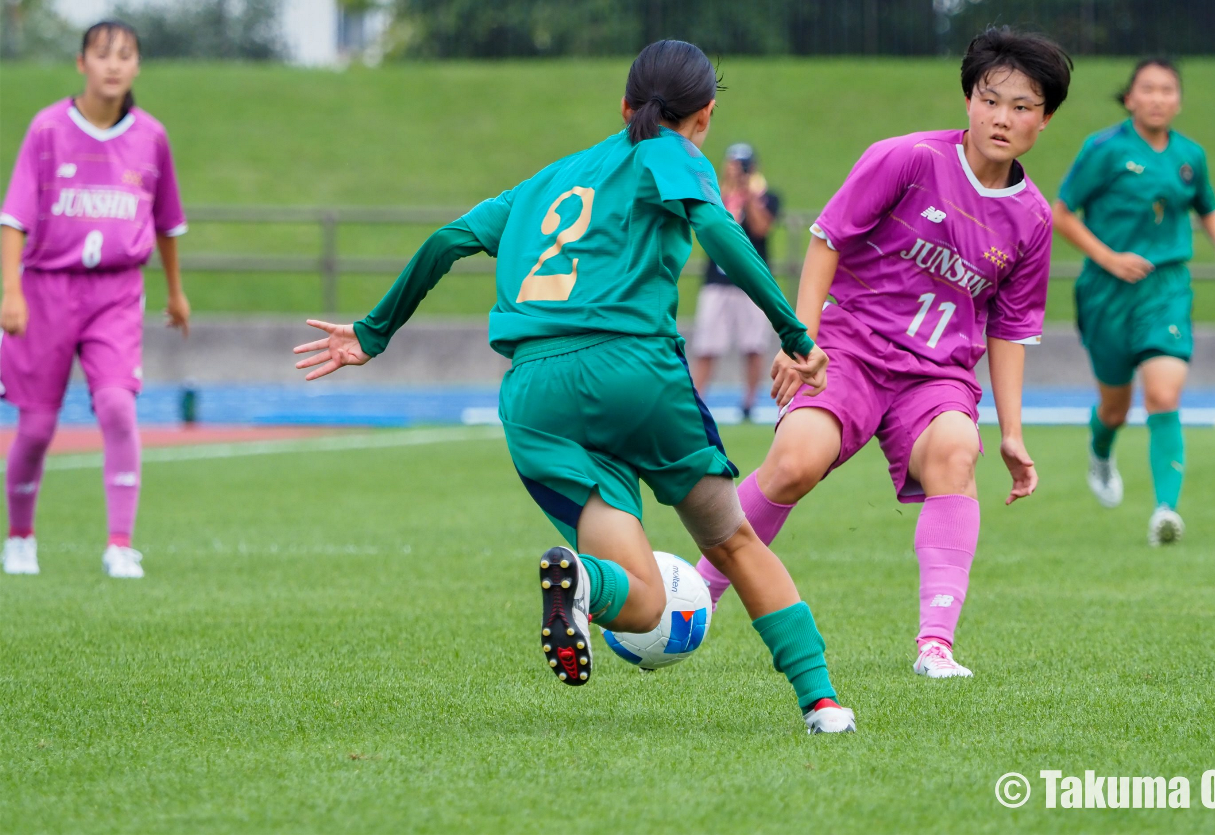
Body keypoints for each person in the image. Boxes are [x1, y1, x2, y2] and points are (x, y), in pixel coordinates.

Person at [294, 40, 857, 734]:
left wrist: (374, 331)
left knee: (643, 602)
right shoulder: (672, 151)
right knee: (734, 543)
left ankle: (586, 586)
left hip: (536, 397)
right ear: (704, 117)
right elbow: (717, 226)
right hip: (633, 374)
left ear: (623, 107)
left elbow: (447, 240)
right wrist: (797, 335)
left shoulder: (546, 183)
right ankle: (822, 702)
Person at [696, 27, 1069, 680]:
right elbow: (826, 240)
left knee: (958, 451)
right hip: (851, 349)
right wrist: (801, 339)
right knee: (792, 463)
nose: (1003, 118)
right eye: (991, 99)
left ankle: (936, 646)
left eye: (1022, 106)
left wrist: (1011, 432)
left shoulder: (1034, 218)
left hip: (936, 377)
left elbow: (1009, 328)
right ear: (968, 100)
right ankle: (695, 601)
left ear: (1045, 119)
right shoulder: (907, 158)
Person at [0, 20, 191, 579]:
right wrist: (10, 292)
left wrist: (176, 293)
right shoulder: (47, 129)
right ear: (81, 63)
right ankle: (19, 537)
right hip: (45, 292)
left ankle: (119, 542)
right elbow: (13, 220)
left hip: (116, 293)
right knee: (35, 426)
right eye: (102, 54)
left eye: (125, 55)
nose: (114, 64)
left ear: (137, 67)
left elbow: (168, 224)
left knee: (115, 405)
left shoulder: (151, 137)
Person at [1052, 58, 1215, 546]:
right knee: (1115, 409)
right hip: (1107, 291)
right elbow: (1061, 212)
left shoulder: (1190, 156)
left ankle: (1166, 511)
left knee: (1163, 395)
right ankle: (1101, 450)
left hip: (1167, 289)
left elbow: (1208, 205)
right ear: (1131, 98)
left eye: (1168, 90)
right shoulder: (1104, 149)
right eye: (1148, 89)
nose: (1158, 98)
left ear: (1178, 100)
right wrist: (1110, 257)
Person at [690, 143, 782, 418]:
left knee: (752, 345)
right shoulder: (716, 193)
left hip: (751, 282)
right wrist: (730, 192)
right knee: (707, 344)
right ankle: (697, 398)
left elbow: (761, 227)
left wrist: (749, 196)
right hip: (717, 279)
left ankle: (749, 402)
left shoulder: (767, 196)